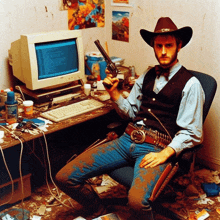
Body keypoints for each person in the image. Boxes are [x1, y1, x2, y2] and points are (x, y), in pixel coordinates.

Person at [55, 17, 205, 219]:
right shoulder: (147, 74)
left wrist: (166, 153)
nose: (162, 51)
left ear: (179, 46)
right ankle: (101, 212)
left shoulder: (191, 84)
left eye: (168, 45)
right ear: (153, 46)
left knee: (137, 202)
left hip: (156, 148)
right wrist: (115, 94)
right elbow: (131, 113)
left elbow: (193, 132)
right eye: (158, 46)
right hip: (126, 140)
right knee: (64, 177)